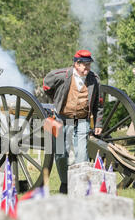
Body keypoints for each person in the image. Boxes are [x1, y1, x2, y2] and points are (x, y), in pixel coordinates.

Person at [43, 49, 103, 193]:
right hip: (61, 118)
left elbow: (99, 104)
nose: (87, 68)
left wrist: (99, 123)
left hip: (82, 120)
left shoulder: (94, 79)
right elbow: (46, 85)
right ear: (76, 64)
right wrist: (56, 99)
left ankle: (81, 186)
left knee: (82, 153)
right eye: (84, 65)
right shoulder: (60, 75)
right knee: (60, 153)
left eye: (89, 65)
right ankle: (65, 182)